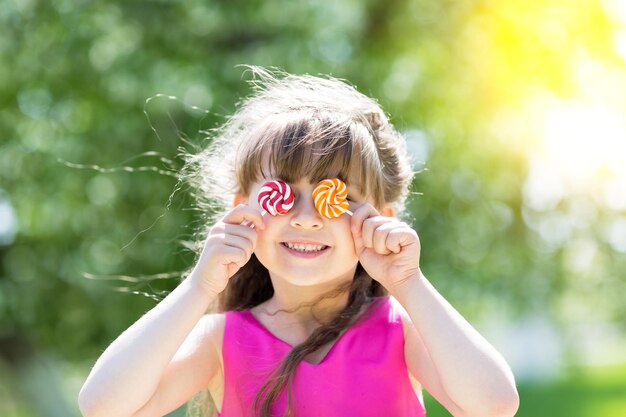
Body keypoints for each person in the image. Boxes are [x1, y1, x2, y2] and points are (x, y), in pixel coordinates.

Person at [78, 67, 519, 417]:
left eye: (335, 197)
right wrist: (199, 288)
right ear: (243, 212)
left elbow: (493, 405)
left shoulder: (399, 330)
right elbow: (105, 407)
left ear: (380, 221)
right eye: (283, 195)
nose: (306, 219)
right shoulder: (222, 340)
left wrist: (410, 283)